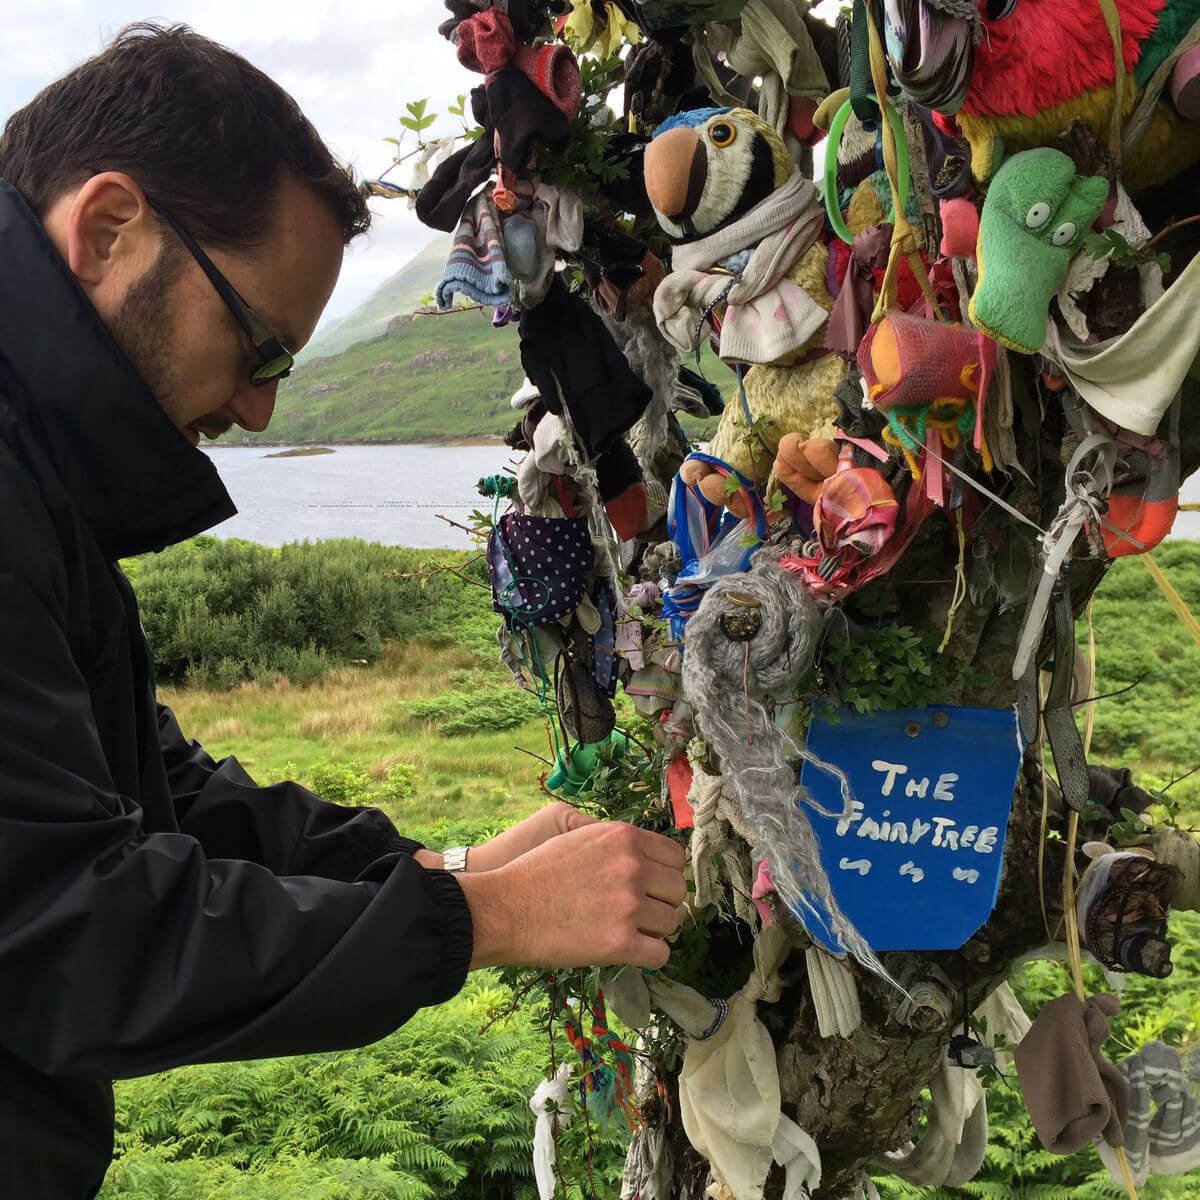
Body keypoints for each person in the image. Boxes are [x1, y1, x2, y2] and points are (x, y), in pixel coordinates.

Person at [0, 24, 687, 1199]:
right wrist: (478, 921)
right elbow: (63, 932)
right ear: (110, 228)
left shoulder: (38, 477)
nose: (259, 411)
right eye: (257, 345)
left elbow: (142, 794)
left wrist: (440, 867)